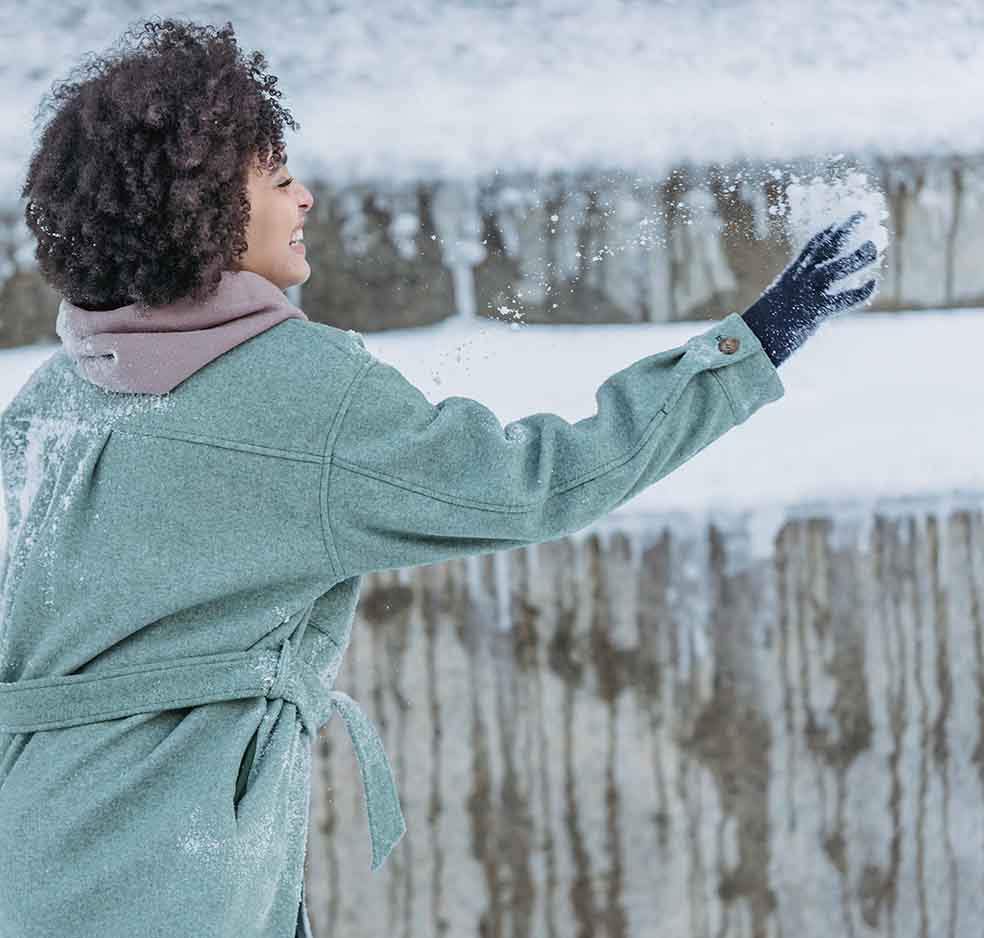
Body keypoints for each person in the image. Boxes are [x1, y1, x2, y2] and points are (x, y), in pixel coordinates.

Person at [0, 16, 880, 938]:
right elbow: (537, 483)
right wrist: (759, 341)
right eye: (278, 177)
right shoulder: (296, 398)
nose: (305, 199)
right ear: (207, 208)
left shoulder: (58, 392)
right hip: (162, 880)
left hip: (36, 844)